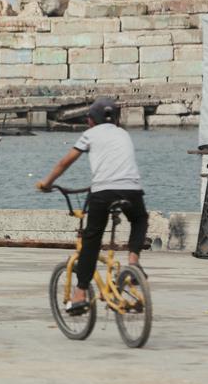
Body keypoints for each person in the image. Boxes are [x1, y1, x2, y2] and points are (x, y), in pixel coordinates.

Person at [37, 97, 149, 312]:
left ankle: (79, 295)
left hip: (103, 191)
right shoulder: (123, 134)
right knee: (139, 218)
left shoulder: (89, 134)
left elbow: (65, 162)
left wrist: (46, 183)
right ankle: (133, 262)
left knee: (91, 240)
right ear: (116, 119)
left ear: (90, 121)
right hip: (132, 189)